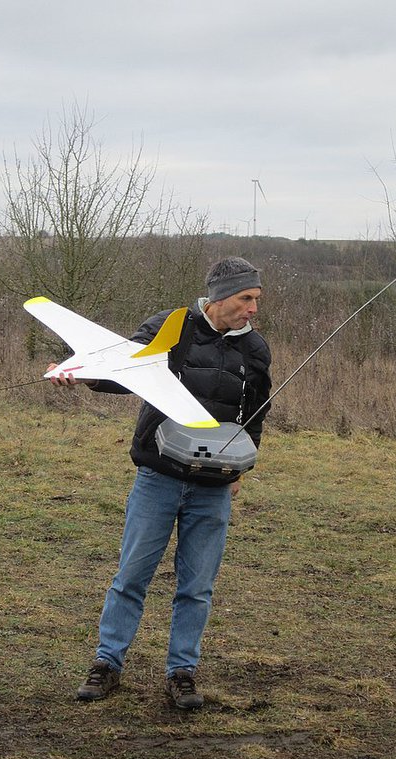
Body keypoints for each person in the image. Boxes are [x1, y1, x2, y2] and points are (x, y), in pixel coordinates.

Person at [49, 257, 272, 709]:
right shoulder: (173, 327)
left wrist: (241, 468)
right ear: (221, 295)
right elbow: (122, 372)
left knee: (197, 585)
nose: (252, 309)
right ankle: (106, 664)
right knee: (132, 575)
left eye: (256, 300)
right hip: (159, 476)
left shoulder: (256, 350)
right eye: (246, 299)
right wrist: (83, 373)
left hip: (213, 484)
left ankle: (182, 672)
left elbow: (256, 413)